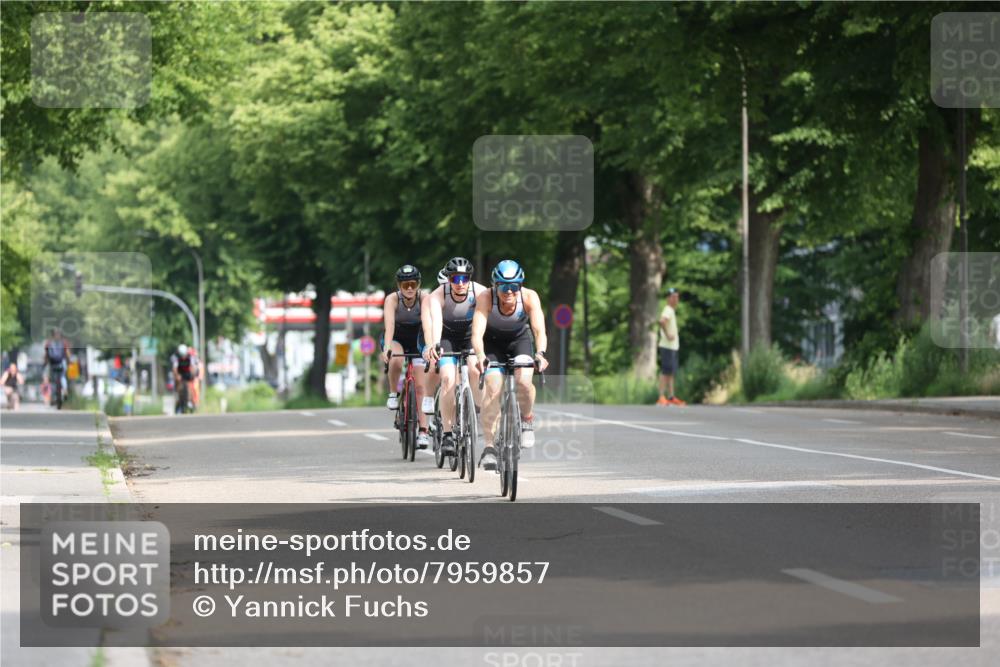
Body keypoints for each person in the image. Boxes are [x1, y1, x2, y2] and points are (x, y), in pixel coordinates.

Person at [471, 260, 549, 470]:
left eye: (514, 286)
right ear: (495, 286)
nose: (509, 292)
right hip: (492, 343)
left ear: (520, 285)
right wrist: (479, 355)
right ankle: (489, 447)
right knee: (493, 387)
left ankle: (526, 420)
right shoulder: (486, 298)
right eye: (503, 287)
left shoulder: (529, 297)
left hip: (519, 341)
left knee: (523, 382)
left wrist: (540, 353)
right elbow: (477, 333)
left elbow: (539, 330)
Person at [423, 257, 487, 456]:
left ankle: (479, 412)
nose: (460, 283)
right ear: (449, 279)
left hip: (471, 335)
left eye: (464, 278)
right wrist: (434, 344)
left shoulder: (480, 291)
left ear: (469, 278)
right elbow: (436, 322)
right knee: (448, 377)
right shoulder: (437, 295)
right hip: (447, 336)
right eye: (455, 279)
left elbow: (488, 318)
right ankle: (448, 434)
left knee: (476, 369)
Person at [381, 264, 430, 449]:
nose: (409, 288)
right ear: (398, 286)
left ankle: (423, 431)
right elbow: (390, 326)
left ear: (418, 284)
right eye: (405, 285)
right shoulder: (392, 300)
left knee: (420, 386)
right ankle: (394, 393)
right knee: (396, 358)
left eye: (413, 284)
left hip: (418, 339)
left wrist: (429, 345)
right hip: (397, 337)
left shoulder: (424, 298)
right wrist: (387, 347)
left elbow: (426, 324)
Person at [656, 287, 686, 406]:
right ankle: (661, 397)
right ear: (668, 299)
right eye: (673, 297)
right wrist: (668, 335)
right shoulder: (668, 309)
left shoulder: (671, 310)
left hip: (672, 347)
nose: (676, 299)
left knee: (671, 372)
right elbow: (662, 321)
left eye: (677, 297)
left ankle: (671, 396)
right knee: (665, 372)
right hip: (667, 346)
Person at [44, 328, 70, 406]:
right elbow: (67, 353)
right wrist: (69, 361)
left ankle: (53, 396)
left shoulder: (48, 343)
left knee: (52, 379)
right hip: (62, 362)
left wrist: (45, 363)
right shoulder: (64, 342)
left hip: (53, 363)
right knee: (62, 376)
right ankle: (65, 389)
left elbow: (46, 355)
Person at [171, 344, 199, 412]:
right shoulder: (176, 358)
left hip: (188, 373)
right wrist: (177, 375)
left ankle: (192, 401)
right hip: (180, 373)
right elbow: (174, 368)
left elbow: (193, 367)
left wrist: (193, 374)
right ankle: (178, 398)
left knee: (192, 385)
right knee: (177, 383)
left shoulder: (191, 357)